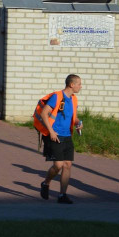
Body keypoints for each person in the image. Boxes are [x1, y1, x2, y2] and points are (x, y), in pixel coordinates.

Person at [38, 74, 83, 204]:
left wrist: (78, 123)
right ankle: (46, 183)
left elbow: (74, 117)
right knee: (58, 165)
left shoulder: (74, 99)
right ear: (71, 84)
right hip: (55, 135)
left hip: (67, 136)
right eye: (79, 84)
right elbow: (44, 113)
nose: (81, 86)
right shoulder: (57, 97)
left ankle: (62, 195)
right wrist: (51, 131)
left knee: (67, 165)